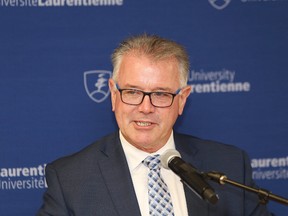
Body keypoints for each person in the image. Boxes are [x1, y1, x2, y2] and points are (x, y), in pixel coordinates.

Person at [37, 34, 272, 215]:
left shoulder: (229, 166)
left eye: (160, 94)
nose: (146, 107)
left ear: (182, 100)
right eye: (132, 91)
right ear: (113, 94)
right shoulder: (70, 179)